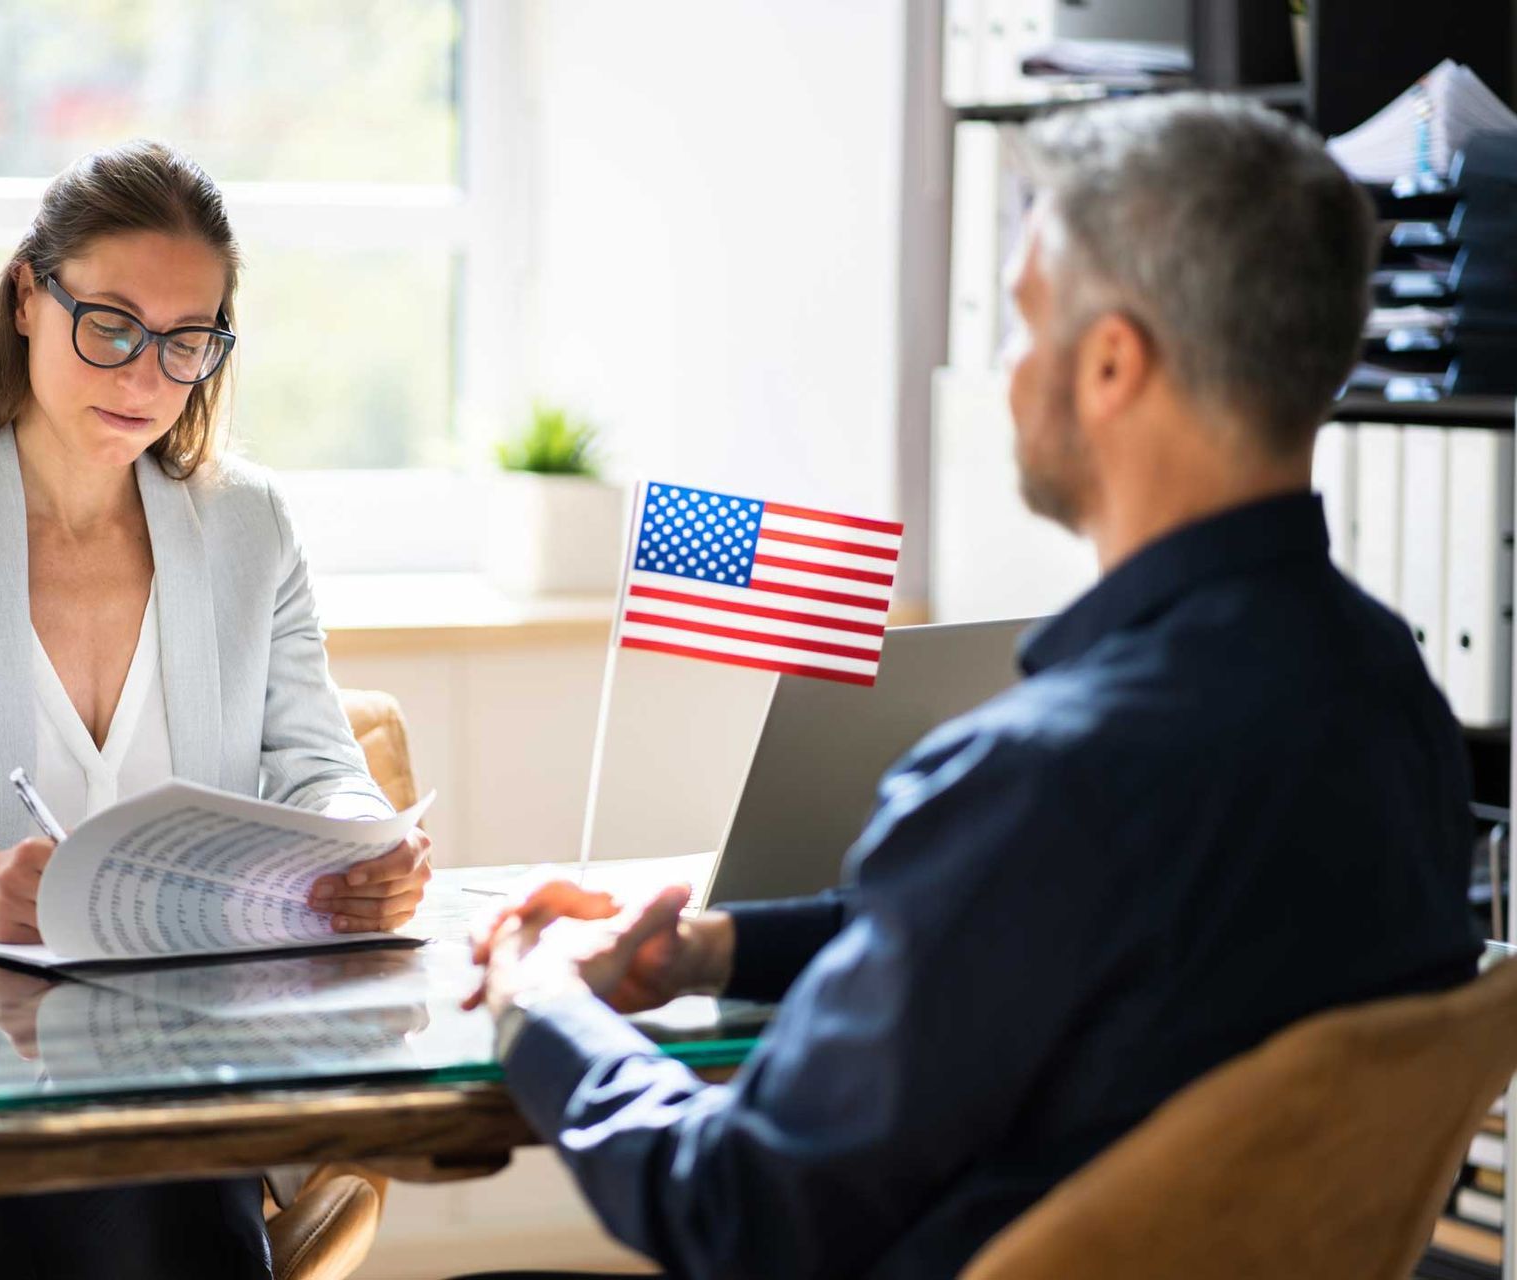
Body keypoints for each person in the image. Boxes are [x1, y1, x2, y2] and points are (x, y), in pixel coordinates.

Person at [462, 93, 1483, 1279]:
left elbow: (734, 1208)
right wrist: (716, 949)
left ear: (1110, 363)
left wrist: (541, 1007)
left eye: (1022, 325)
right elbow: (1036, 935)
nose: (1004, 375)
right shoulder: (1394, 697)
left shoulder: (1044, 777)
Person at [0, 139, 430, 1279]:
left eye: (186, 343)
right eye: (109, 323)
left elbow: (318, 763)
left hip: (178, 1091)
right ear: (28, 295)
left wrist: (365, 842)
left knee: (145, 1195)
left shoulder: (250, 527)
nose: (144, 376)